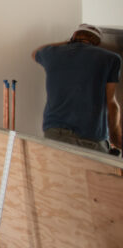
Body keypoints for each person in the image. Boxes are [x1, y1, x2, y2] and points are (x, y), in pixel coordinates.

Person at [32, 23, 121, 155]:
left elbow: (36, 52)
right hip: (91, 137)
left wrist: (69, 42)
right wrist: (116, 138)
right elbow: (111, 103)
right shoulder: (110, 59)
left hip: (56, 135)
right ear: (97, 42)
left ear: (74, 35)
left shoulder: (51, 54)